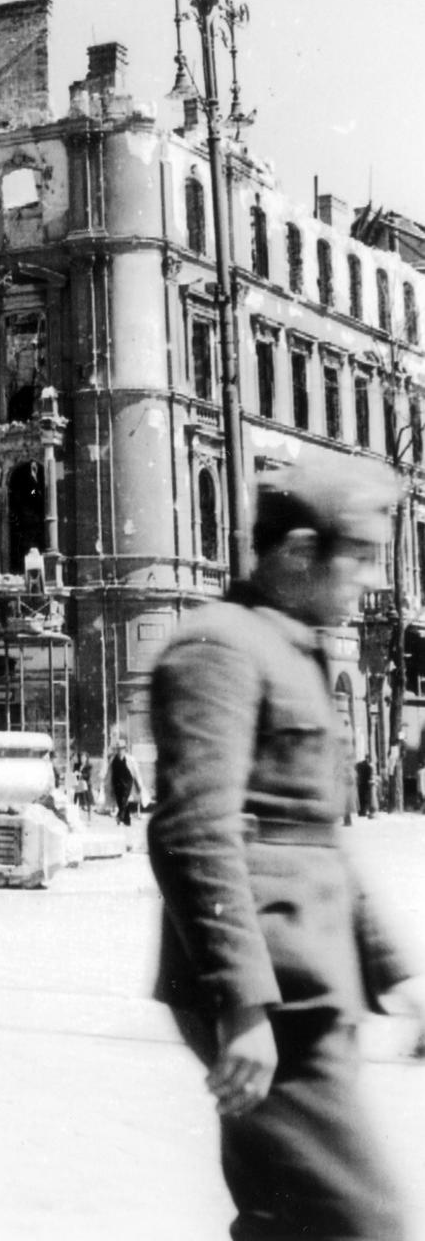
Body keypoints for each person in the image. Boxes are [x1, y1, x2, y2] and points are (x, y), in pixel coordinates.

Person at [148, 460, 425, 1240]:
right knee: (357, 1222)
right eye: (361, 556)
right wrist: (242, 1007)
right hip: (269, 985)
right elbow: (192, 830)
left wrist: (398, 974)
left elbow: (319, 838)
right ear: (300, 553)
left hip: (310, 978)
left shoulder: (289, 648)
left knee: (296, 1221)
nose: (371, 581)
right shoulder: (215, 649)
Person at [107, 741, 144, 826]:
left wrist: (139, 783)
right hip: (117, 782)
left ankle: (119, 816)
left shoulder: (130, 759)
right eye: (118, 749)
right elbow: (110, 773)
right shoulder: (114, 760)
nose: (120, 751)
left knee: (124, 799)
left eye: (122, 749)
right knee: (120, 801)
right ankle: (127, 820)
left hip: (127, 782)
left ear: (125, 749)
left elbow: (136, 772)